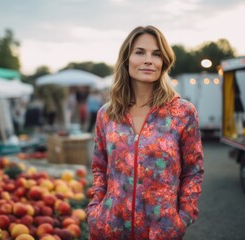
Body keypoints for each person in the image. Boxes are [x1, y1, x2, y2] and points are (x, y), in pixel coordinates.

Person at [86, 25, 204, 239]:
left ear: (163, 62)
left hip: (160, 233)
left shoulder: (182, 112)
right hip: (110, 229)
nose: (149, 60)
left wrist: (182, 218)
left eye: (156, 54)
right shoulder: (107, 114)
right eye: (140, 52)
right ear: (127, 59)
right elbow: (99, 167)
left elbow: (193, 170)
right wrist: (95, 210)